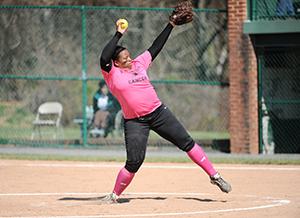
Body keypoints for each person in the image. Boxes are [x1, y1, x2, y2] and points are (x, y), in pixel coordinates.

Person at [99, 1, 231, 203]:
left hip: (159, 112)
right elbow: (104, 57)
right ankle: (114, 195)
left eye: (129, 56)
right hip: (135, 121)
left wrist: (171, 24)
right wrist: (118, 34)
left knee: (186, 142)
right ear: (115, 63)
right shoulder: (111, 73)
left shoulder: (139, 63)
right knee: (134, 161)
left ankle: (215, 176)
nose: (129, 60)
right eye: (124, 59)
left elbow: (156, 46)